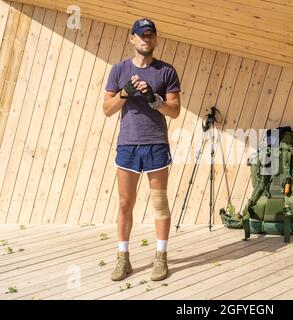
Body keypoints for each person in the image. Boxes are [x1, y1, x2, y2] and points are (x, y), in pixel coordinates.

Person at [103, 18, 181, 282]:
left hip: (156, 144)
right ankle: (123, 259)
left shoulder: (166, 71)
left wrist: (153, 99)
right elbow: (107, 109)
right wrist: (125, 93)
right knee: (125, 203)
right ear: (132, 39)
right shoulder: (119, 70)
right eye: (142, 35)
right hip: (127, 145)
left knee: (159, 203)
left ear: (155, 39)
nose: (147, 39)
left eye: (151, 35)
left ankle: (161, 257)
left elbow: (175, 112)